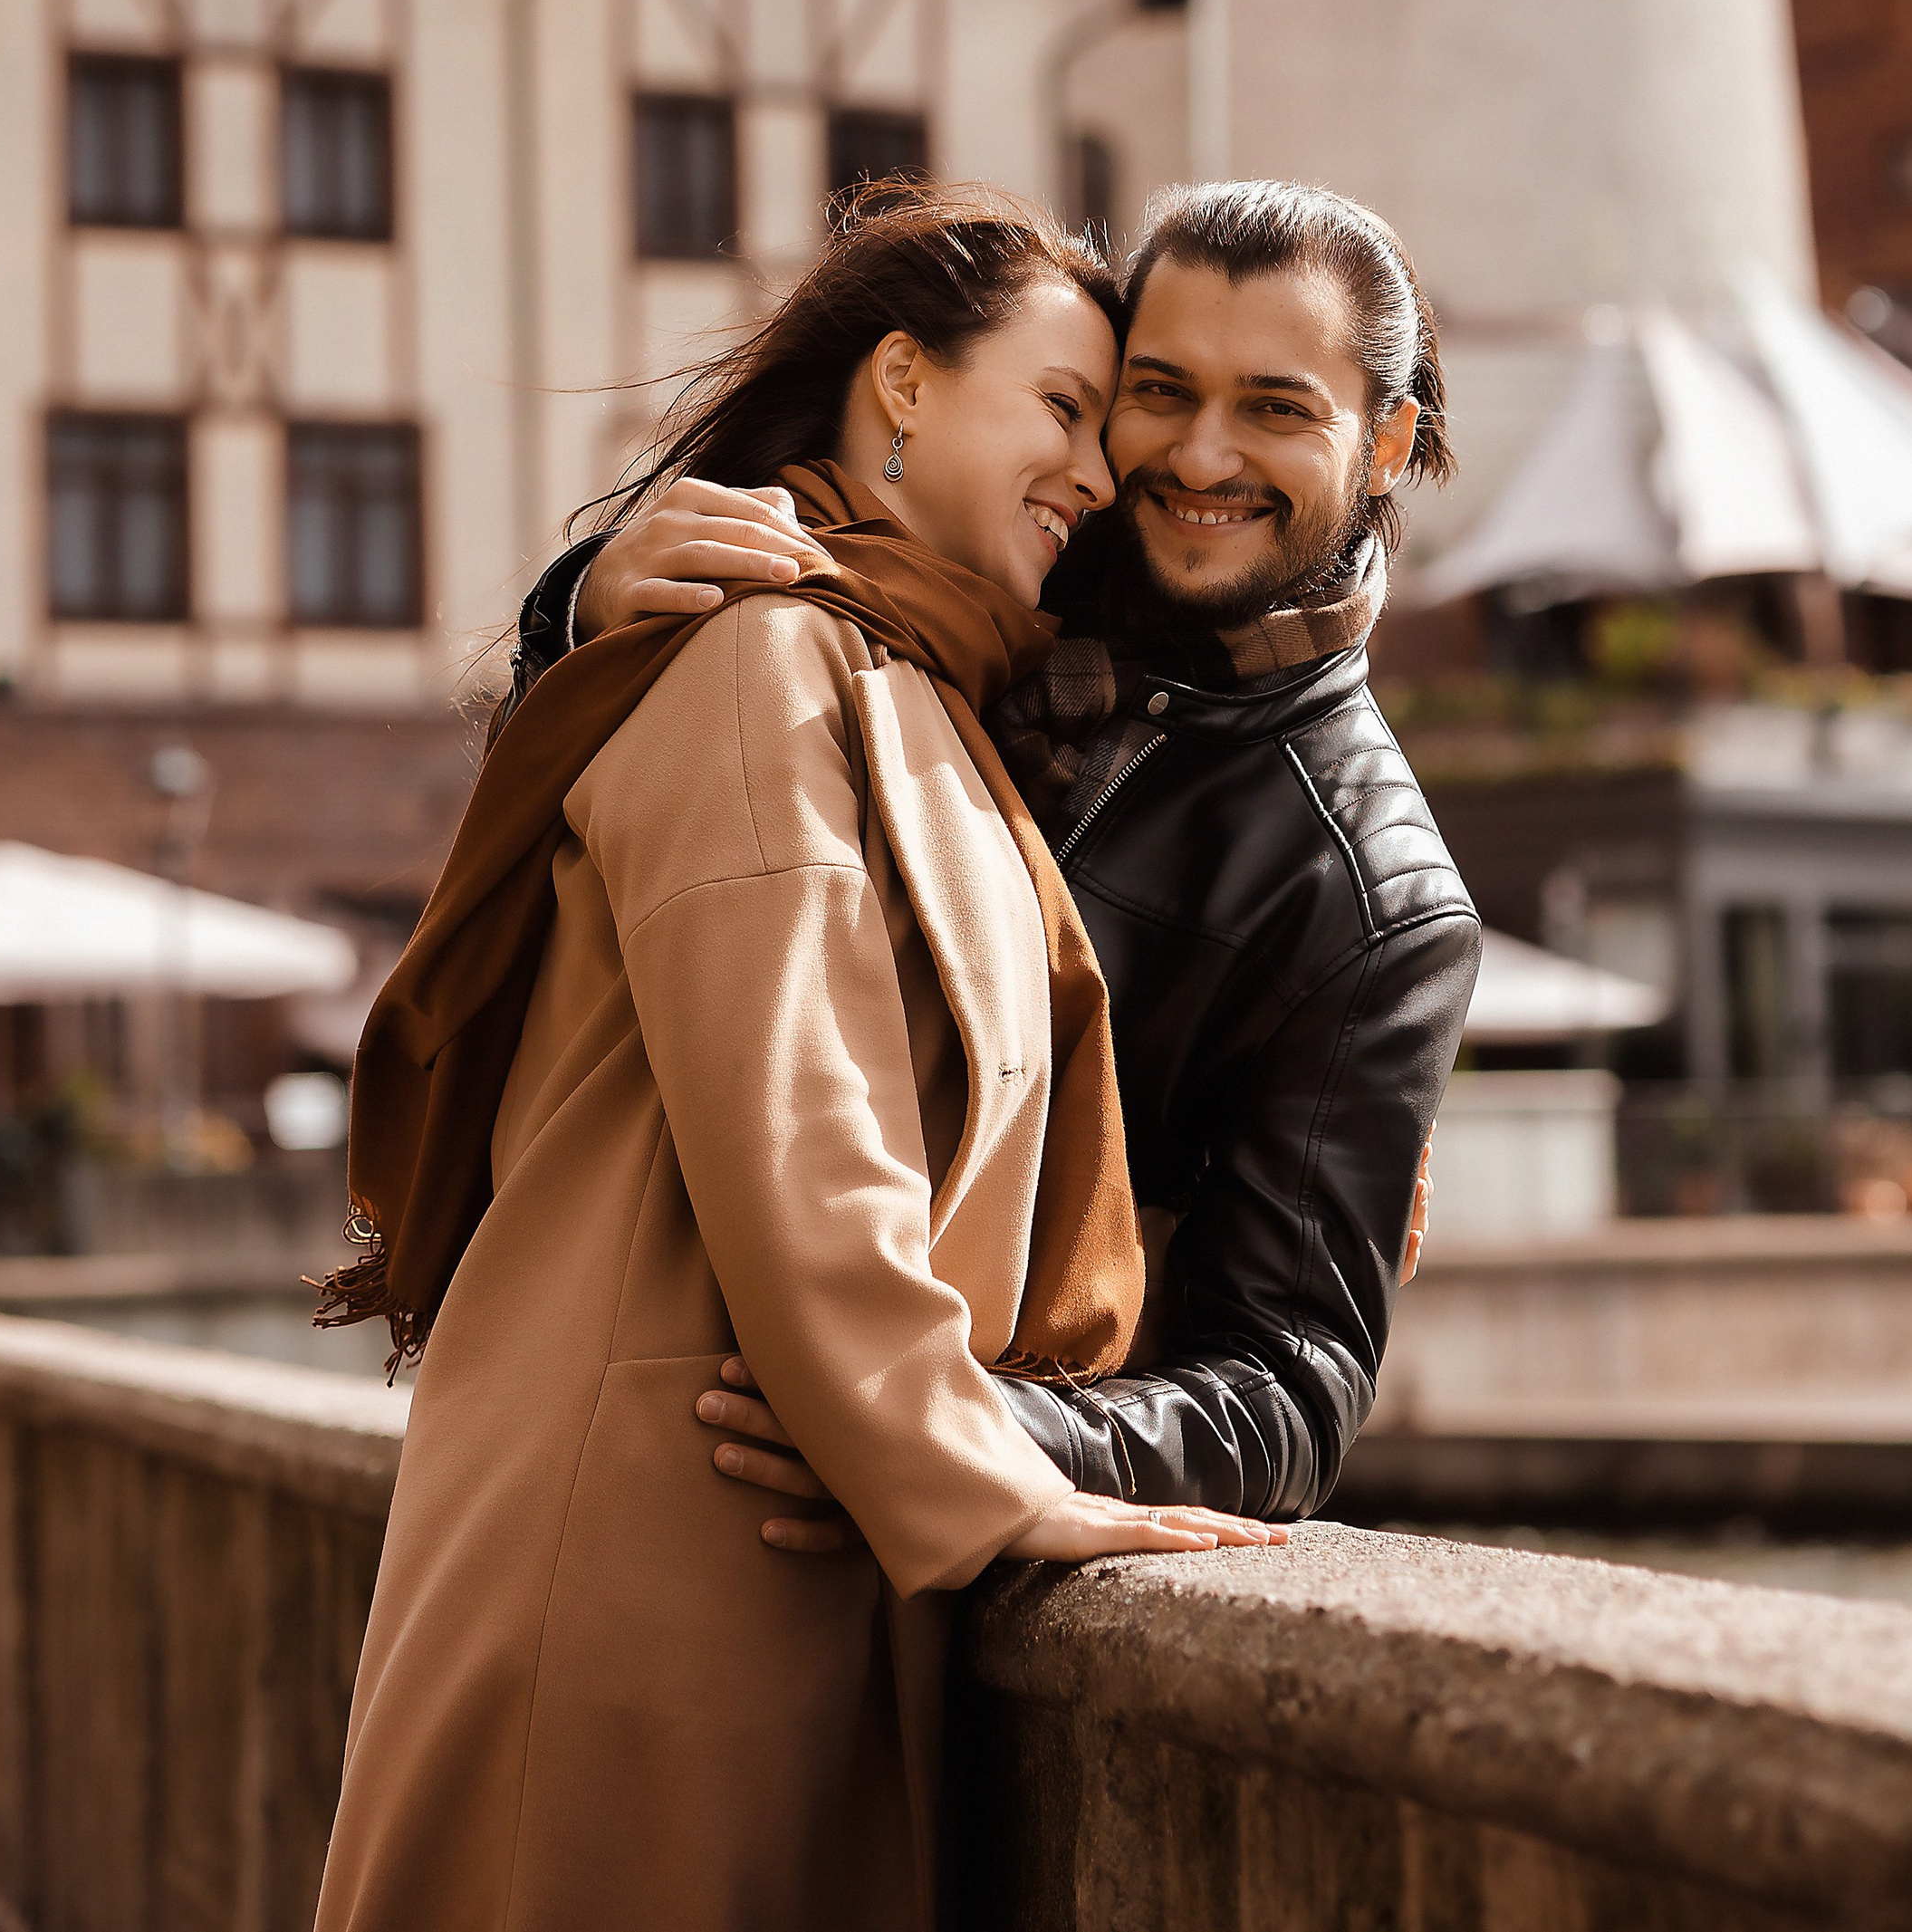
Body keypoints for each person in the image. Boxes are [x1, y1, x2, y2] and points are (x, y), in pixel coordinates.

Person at [312, 187, 1264, 1932]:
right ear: (901, 380)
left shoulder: (907, 681)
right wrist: (982, 1461)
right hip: (650, 1567)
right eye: (1061, 406)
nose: (1095, 474)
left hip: (749, 1552)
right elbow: (798, 1104)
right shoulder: (770, 649)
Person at [515, 178, 1483, 1541]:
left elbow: (1293, 1392)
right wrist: (585, 613)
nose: (1199, 456)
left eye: (1275, 407)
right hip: (625, 1430)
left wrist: (943, 1426)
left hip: (894, 1519)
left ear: (1385, 443)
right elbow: (616, 861)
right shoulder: (984, 563)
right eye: (1157, 389)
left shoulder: (1373, 892)